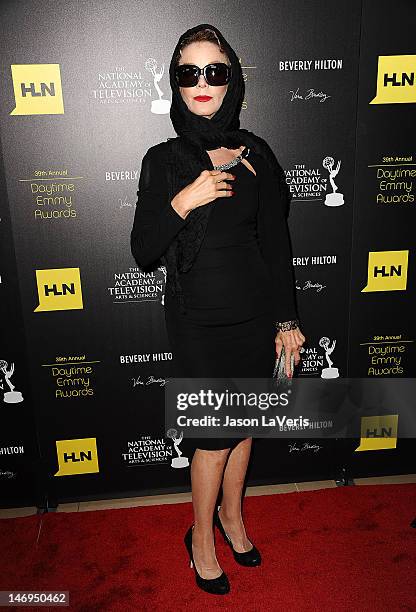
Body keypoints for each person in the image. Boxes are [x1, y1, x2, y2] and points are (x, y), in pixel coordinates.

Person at [131, 23, 306, 595]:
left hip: (255, 314)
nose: (202, 83)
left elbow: (275, 243)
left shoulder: (257, 153)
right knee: (212, 436)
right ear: (176, 83)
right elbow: (144, 250)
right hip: (198, 320)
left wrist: (287, 322)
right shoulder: (163, 160)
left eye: (215, 72)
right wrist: (188, 196)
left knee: (246, 425)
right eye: (190, 73)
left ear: (232, 81)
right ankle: (200, 538)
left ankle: (233, 519)